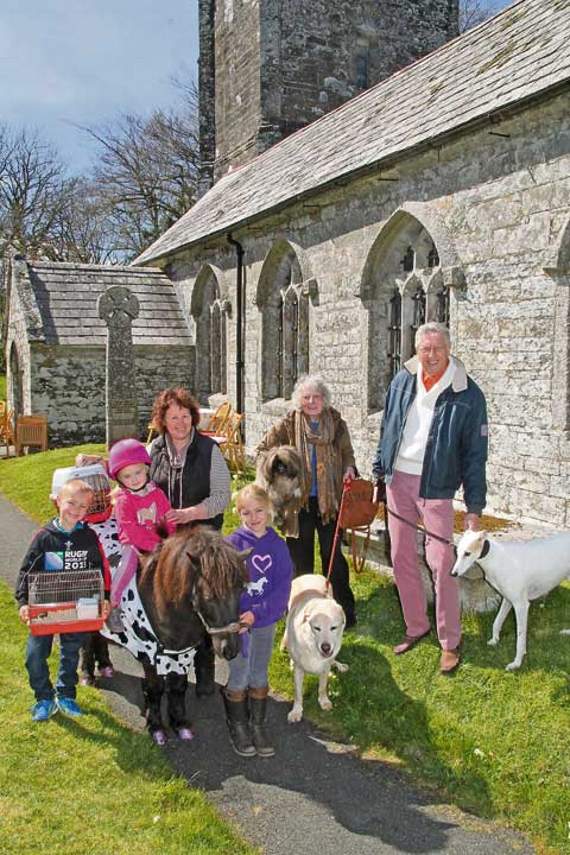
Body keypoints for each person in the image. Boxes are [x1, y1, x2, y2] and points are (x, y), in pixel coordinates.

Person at [372, 322, 488, 674]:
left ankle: (450, 641)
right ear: (417, 349)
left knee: (442, 561)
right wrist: (379, 472)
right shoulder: (402, 380)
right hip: (398, 481)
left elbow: (475, 456)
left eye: (438, 348)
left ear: (449, 349)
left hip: (437, 486)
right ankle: (416, 625)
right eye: (426, 348)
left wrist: (474, 507)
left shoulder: (468, 394)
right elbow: (387, 427)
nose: (432, 355)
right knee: (400, 555)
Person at [148, 387, 232, 696]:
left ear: (193, 417)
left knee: (206, 603)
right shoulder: (155, 449)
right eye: (173, 417)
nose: (180, 423)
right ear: (163, 420)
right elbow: (139, 484)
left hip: (202, 542)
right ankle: (169, 668)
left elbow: (222, 497)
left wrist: (190, 513)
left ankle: (205, 670)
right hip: (167, 542)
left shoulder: (210, 450)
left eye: (185, 416)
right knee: (171, 606)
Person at [256, 374, 357, 627]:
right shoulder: (288, 423)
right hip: (296, 504)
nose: (311, 402)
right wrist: (278, 464)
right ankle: (301, 611)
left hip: (329, 502)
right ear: (299, 400)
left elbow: (347, 452)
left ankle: (342, 610)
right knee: (300, 560)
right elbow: (263, 450)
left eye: (316, 397)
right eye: (306, 397)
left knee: (333, 557)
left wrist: (349, 468)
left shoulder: (336, 422)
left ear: (324, 399)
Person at [15, 479, 112, 721]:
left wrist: (105, 597)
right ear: (58, 501)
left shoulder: (89, 537)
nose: (76, 510)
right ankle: (44, 698)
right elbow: (26, 571)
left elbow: (99, 569)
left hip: (78, 605)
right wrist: (23, 602)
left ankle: (66, 694)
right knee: (35, 655)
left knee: (71, 653)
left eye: (83, 506)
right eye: (71, 502)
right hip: (44, 605)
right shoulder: (44, 537)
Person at [223, 484, 293, 758]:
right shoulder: (231, 545)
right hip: (237, 625)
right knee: (239, 674)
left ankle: (258, 725)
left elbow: (282, 589)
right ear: (238, 513)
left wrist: (258, 613)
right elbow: (222, 587)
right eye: (246, 513)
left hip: (264, 622)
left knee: (259, 673)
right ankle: (238, 726)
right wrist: (237, 615)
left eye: (259, 511)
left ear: (270, 510)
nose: (253, 518)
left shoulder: (278, 547)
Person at [50, 463, 123, 685]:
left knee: (101, 621)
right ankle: (86, 666)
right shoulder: (68, 528)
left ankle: (104, 659)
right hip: (83, 584)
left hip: (110, 582)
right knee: (87, 624)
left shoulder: (114, 518)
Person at [108, 438, 176, 554]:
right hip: (135, 548)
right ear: (119, 480)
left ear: (146, 470)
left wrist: (171, 539)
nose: (134, 479)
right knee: (130, 563)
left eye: (138, 472)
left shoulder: (157, 493)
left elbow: (169, 518)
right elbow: (132, 532)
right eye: (127, 476)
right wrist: (154, 547)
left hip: (162, 544)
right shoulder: (123, 501)